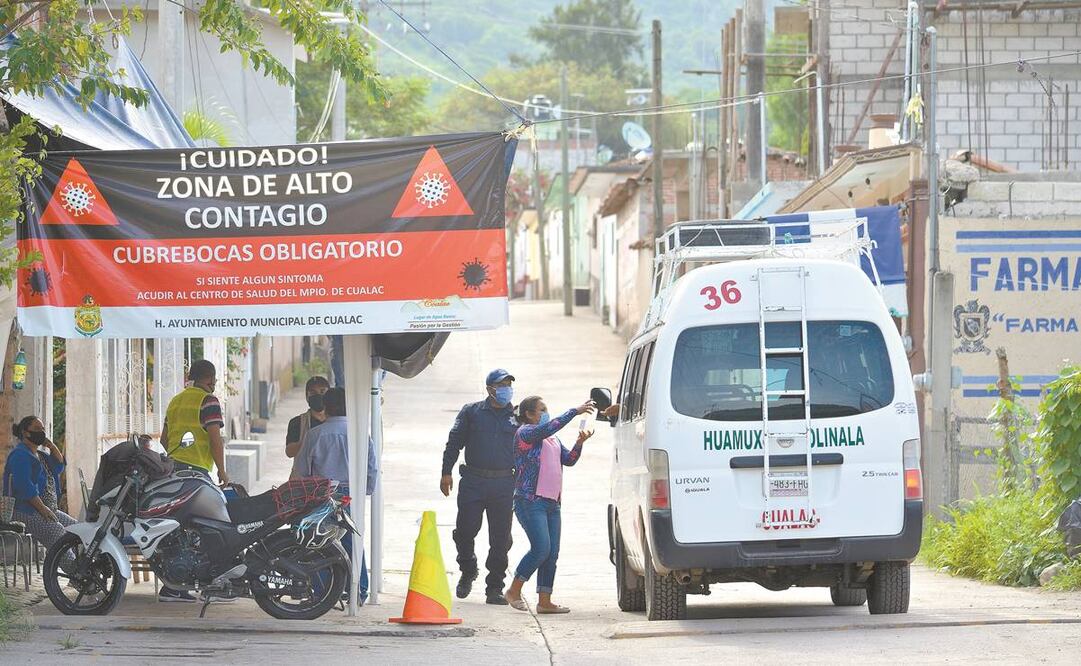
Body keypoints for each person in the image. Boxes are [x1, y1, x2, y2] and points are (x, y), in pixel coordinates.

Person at [505, 397, 595, 614]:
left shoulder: (552, 439)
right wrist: (575, 410)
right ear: (529, 414)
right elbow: (551, 425)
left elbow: (569, 459)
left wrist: (579, 443)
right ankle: (514, 590)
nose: (545, 413)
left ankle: (545, 601)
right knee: (541, 548)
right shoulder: (525, 433)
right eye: (541, 410)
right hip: (530, 501)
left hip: (552, 503)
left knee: (552, 552)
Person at [440, 369, 519, 605]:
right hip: (473, 482)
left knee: (501, 539)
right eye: (501, 385)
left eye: (508, 384)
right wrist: (446, 472)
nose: (506, 389)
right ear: (490, 389)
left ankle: (494, 587)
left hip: (505, 483)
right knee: (464, 531)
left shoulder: (517, 416)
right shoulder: (472, 412)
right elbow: (454, 443)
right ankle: (468, 569)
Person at [292, 387, 378, 604]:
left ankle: (323, 593)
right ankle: (359, 591)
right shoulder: (360, 434)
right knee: (352, 541)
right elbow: (372, 468)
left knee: (318, 541)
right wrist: (365, 489)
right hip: (352, 494)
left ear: (325, 408)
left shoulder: (314, 435)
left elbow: (302, 470)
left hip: (322, 493)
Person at [158, 359, 227, 603]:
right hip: (197, 473)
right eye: (214, 381)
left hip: (173, 472)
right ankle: (217, 582)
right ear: (210, 380)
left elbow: (164, 440)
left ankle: (173, 586)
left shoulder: (176, 400)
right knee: (214, 525)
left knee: (182, 528)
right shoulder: (208, 401)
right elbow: (215, 439)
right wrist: (222, 470)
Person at [3, 416, 76, 552]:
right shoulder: (20, 455)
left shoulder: (40, 455)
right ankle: (73, 569)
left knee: (77, 529)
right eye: (37, 429)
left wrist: (51, 445)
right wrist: (43, 509)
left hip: (44, 508)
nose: (41, 432)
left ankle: (85, 565)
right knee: (56, 530)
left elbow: (59, 466)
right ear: (26, 433)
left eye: (42, 429)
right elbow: (24, 487)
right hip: (23, 510)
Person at [286, 376, 330, 459]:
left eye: (322, 391)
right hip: (306, 471)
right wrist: (309, 441)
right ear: (307, 397)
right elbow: (289, 452)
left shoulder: (337, 421)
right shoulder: (297, 422)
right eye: (313, 393)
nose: (318, 396)